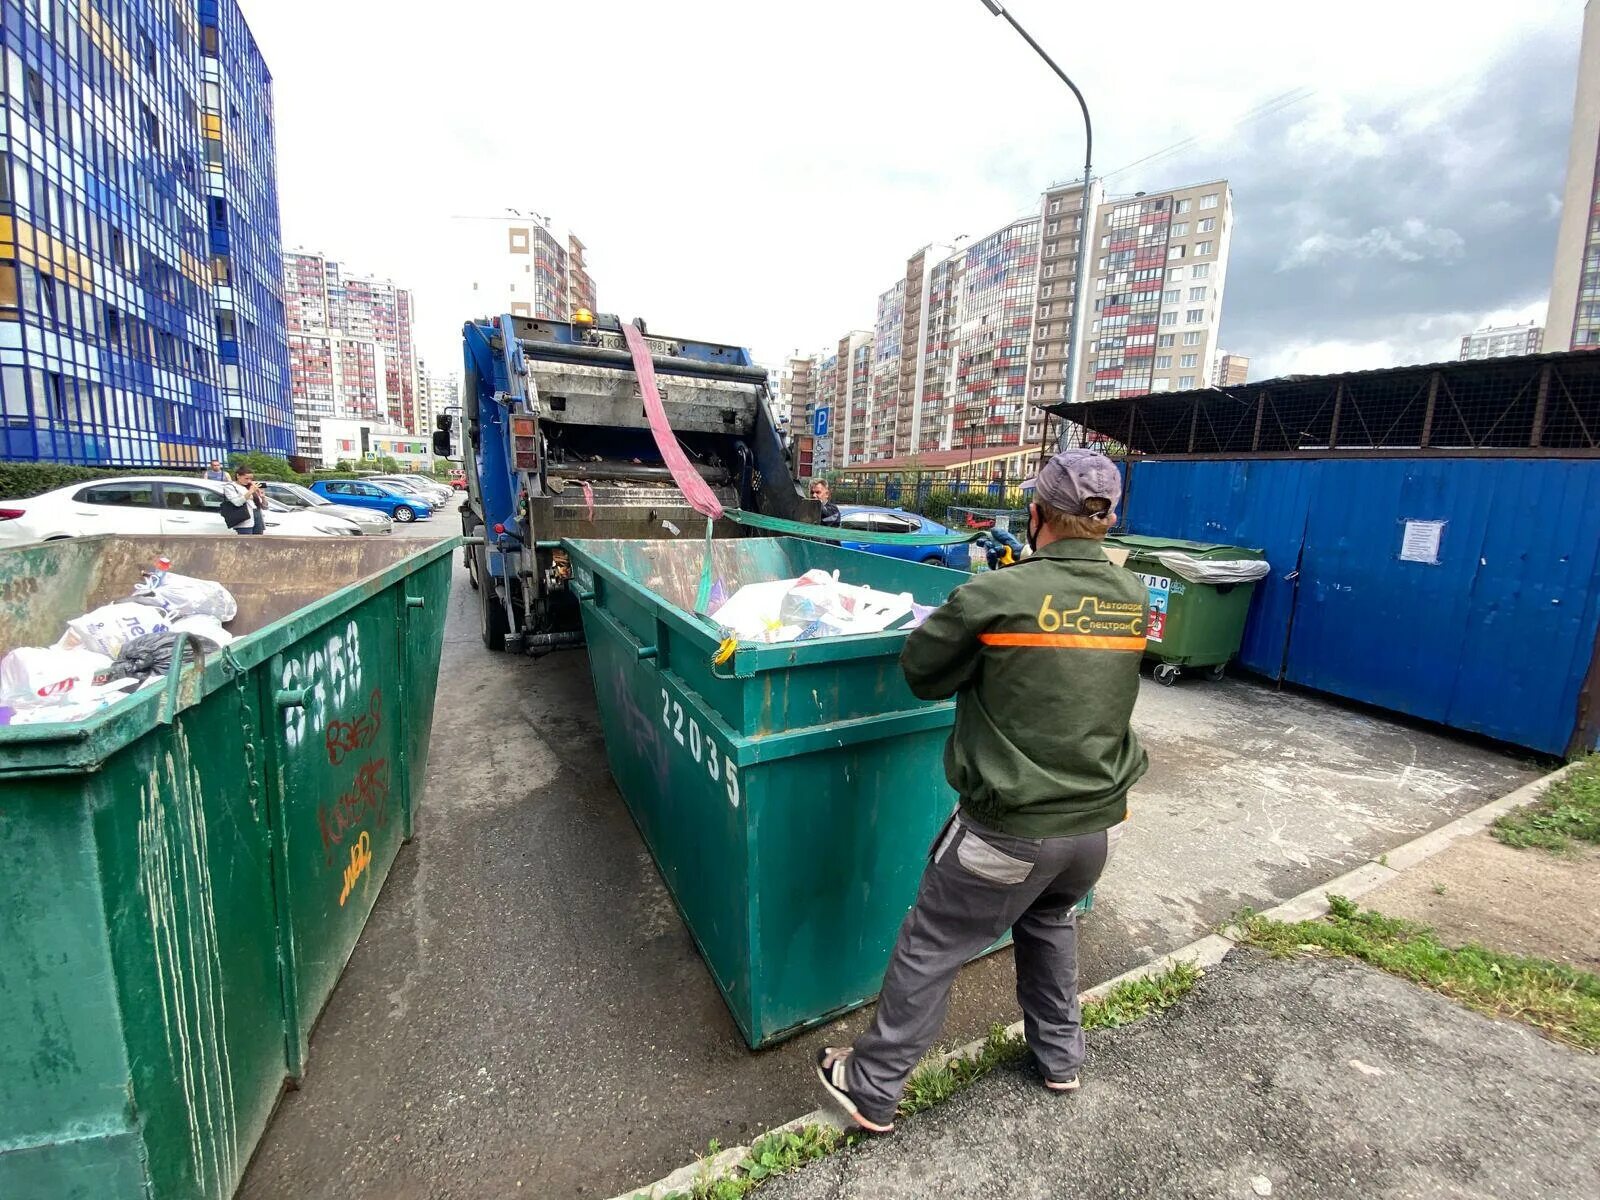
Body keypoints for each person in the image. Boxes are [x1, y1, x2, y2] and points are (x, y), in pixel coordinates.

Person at [813, 449, 1148, 1135]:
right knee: (1049, 921)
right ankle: (1060, 1057)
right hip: (1090, 834)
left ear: (1035, 515)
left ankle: (871, 1086)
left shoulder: (997, 595)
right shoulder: (1132, 597)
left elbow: (923, 673)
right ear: (1106, 519)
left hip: (1010, 831)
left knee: (932, 941)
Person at [220, 468, 267, 535]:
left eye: (251, 479)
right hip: (245, 519)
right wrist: (250, 491)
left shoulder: (250, 486)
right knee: (246, 541)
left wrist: (263, 497)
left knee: (258, 542)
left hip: (257, 516)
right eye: (246, 478)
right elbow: (237, 503)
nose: (249, 481)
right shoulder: (230, 487)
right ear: (238, 476)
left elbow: (264, 507)